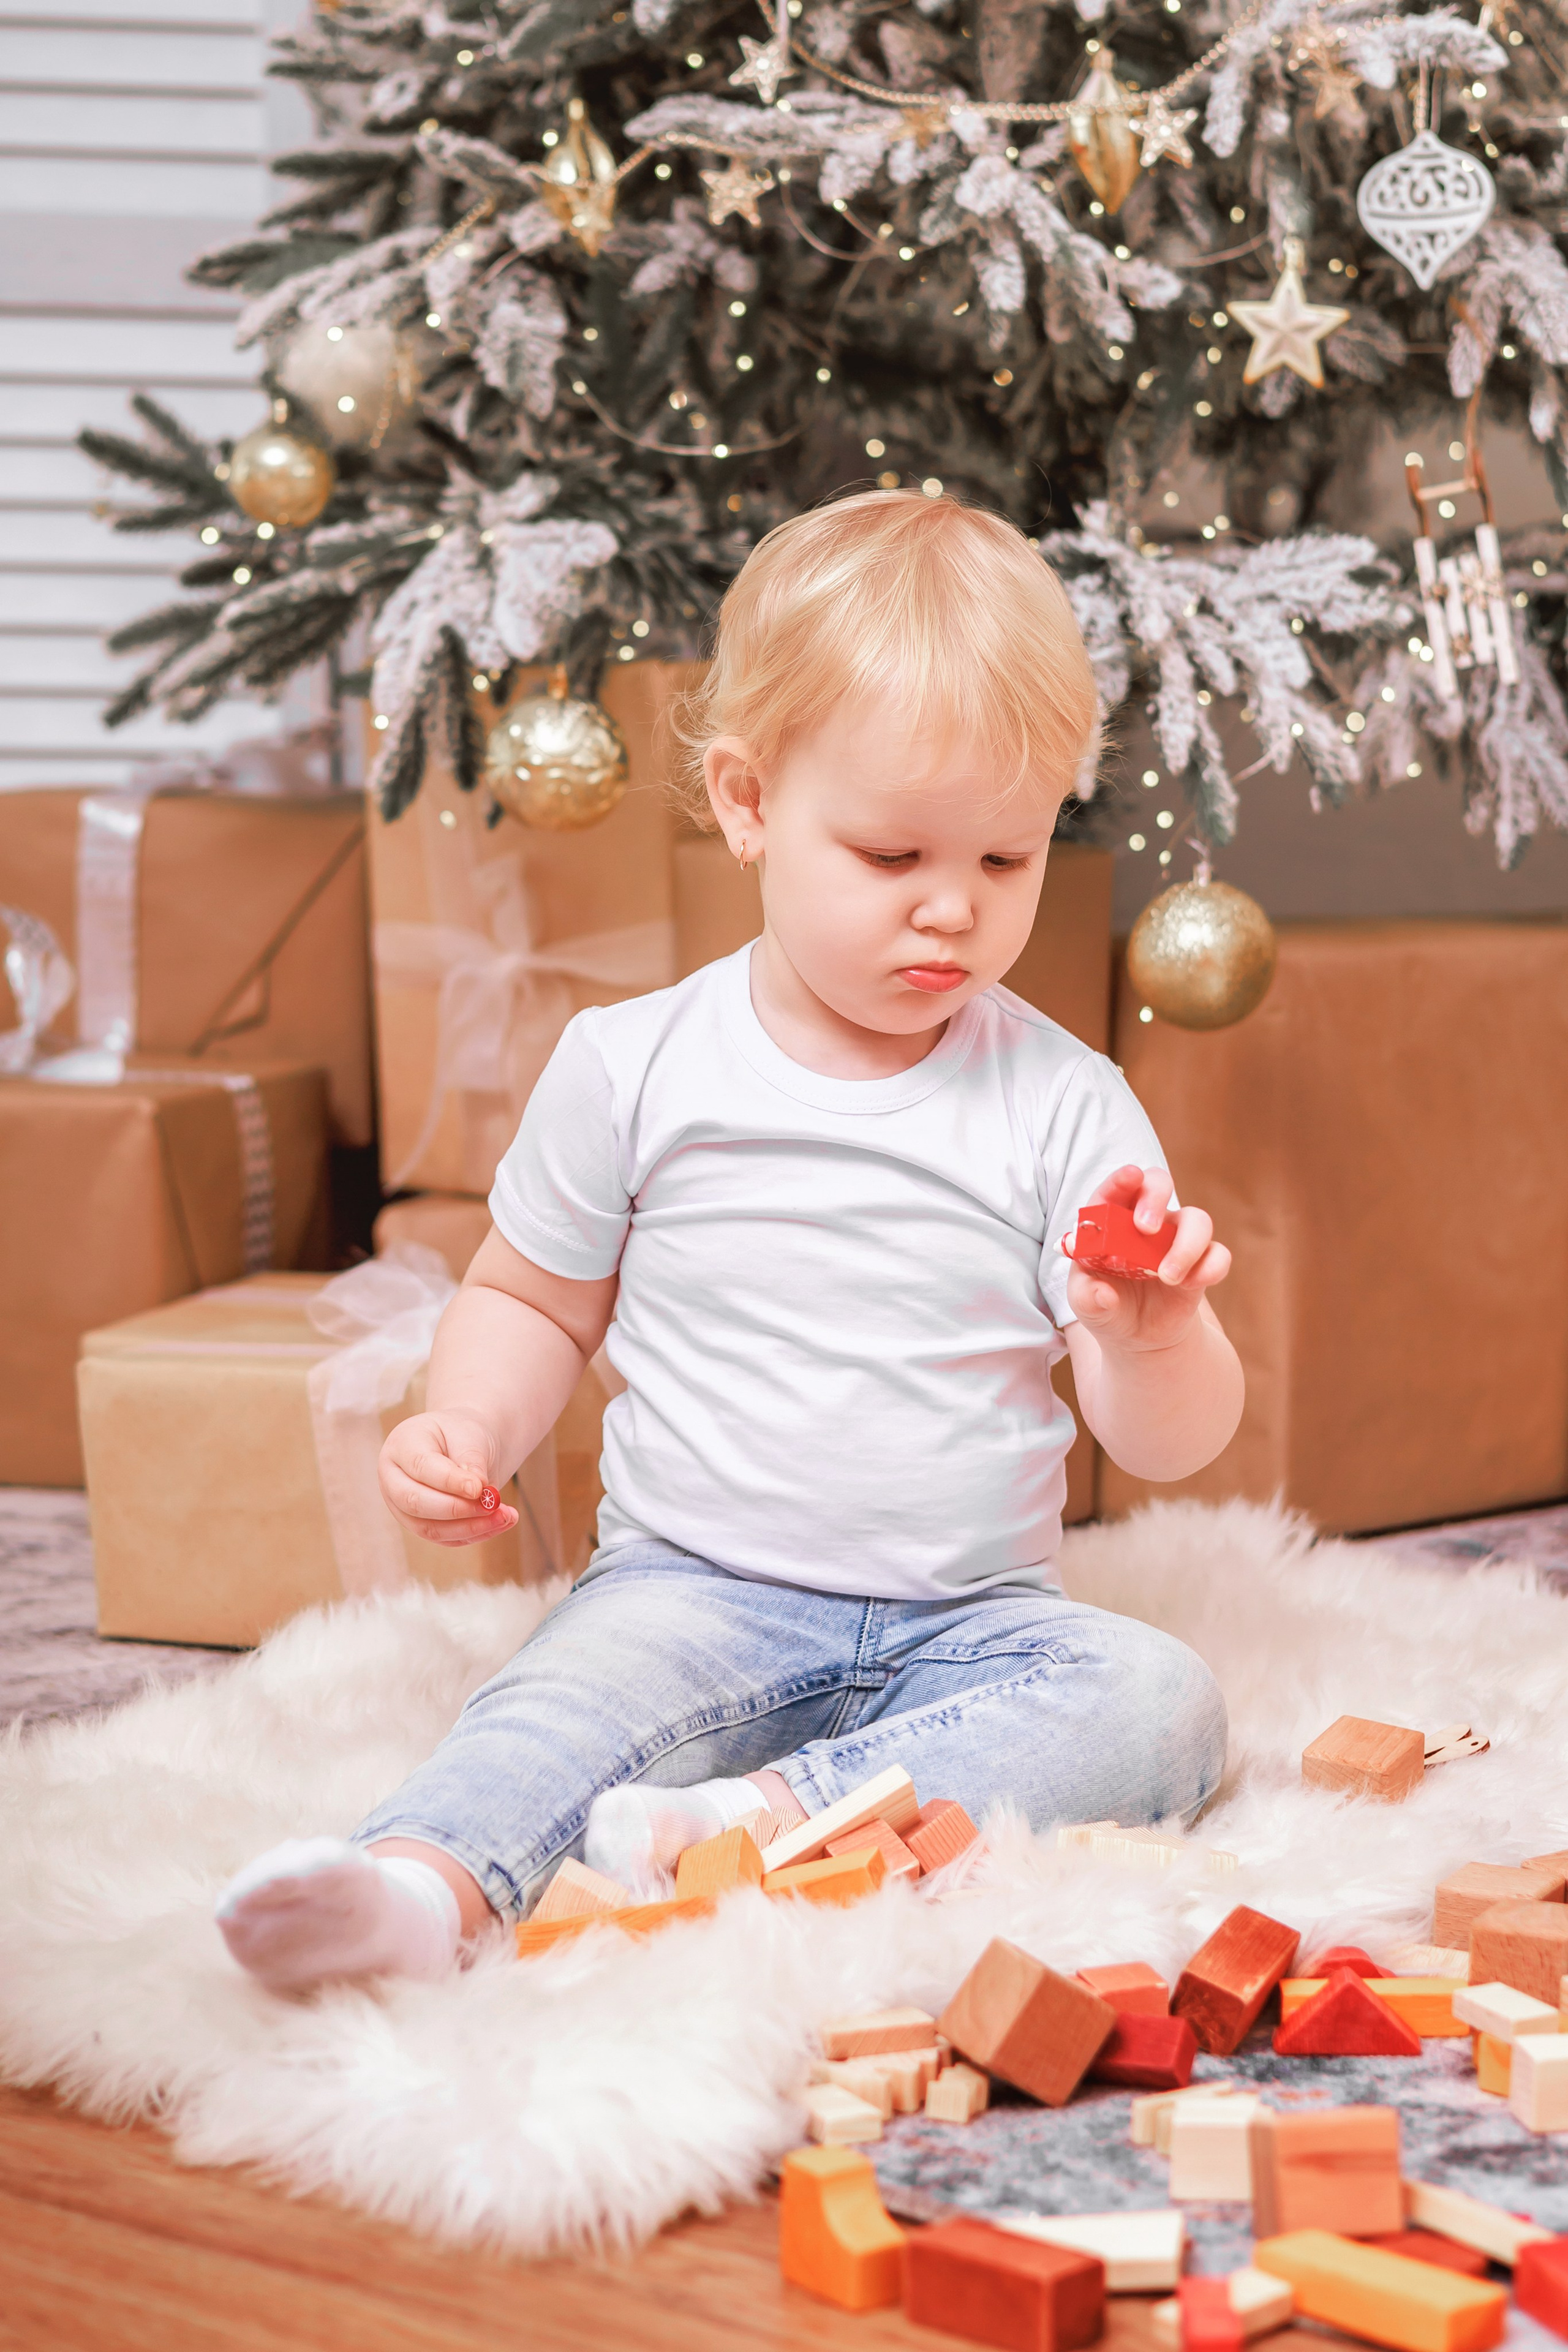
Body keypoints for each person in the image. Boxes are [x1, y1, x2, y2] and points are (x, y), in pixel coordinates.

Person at [216, 488, 1241, 1991]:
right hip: (692, 1589)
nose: (951, 914)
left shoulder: (1062, 1101)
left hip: (976, 1623)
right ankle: (413, 1894)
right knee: (551, 1710)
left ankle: (750, 1829)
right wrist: (469, 1420)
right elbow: (532, 1298)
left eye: (1005, 864)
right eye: (891, 858)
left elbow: (1165, 1448)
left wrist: (1155, 1336)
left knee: (1159, 1705)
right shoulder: (634, 1066)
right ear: (750, 803)